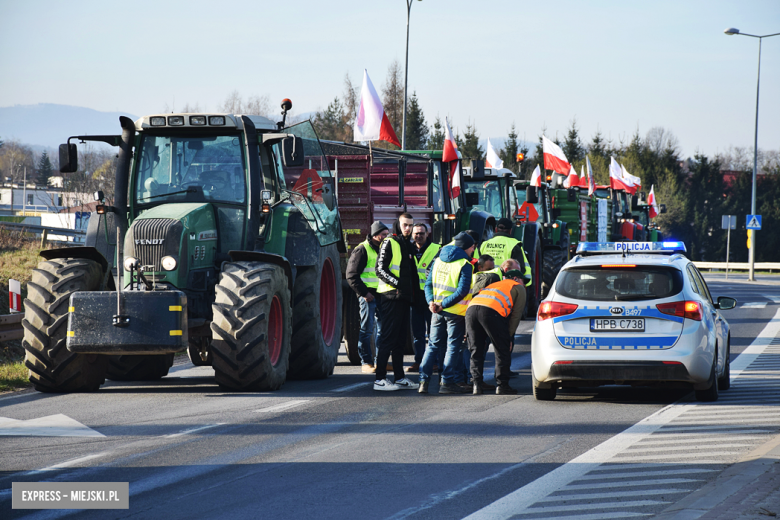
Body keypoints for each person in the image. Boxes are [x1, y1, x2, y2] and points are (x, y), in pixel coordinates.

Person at [419, 231, 476, 395]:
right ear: (466, 247)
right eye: (472, 248)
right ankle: (447, 382)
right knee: (452, 347)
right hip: (454, 312)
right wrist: (442, 305)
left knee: (432, 346)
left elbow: (427, 285)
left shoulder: (437, 261)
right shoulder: (464, 264)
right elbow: (462, 291)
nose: (473, 251)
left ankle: (423, 381)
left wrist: (431, 302)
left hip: (436, 311)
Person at [374, 213, 420, 391]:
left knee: (400, 341)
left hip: (403, 299)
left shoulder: (407, 245)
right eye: (405, 225)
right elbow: (380, 269)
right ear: (397, 224)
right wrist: (398, 285)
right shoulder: (389, 242)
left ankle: (399, 377)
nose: (408, 228)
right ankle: (380, 379)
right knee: (388, 338)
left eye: (410, 225)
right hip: (391, 297)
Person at [466, 269, 527, 395]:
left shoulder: (494, 285)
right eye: (523, 281)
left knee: (476, 349)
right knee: (502, 349)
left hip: (471, 311)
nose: (524, 284)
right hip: (491, 312)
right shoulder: (518, 287)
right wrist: (509, 337)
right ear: (515, 278)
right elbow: (516, 315)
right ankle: (502, 385)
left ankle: (476, 385)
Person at [346, 221, 389, 373]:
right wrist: (364, 293)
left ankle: (380, 362)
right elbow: (351, 276)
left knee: (383, 330)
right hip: (368, 296)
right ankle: (366, 362)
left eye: (387, 234)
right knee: (367, 329)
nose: (386, 237)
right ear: (375, 235)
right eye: (383, 234)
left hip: (383, 295)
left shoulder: (385, 249)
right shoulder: (362, 250)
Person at [409, 223, 439, 372]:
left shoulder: (436, 249)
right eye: (416, 233)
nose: (418, 236)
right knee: (418, 333)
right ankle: (419, 361)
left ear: (427, 234)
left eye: (421, 233)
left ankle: (435, 362)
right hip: (415, 296)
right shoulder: (408, 248)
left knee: (433, 332)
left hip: (431, 296)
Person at [478, 218, 532, 288]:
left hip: (484, 284)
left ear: (496, 229)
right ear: (510, 231)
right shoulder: (514, 245)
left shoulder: (484, 244)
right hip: (505, 286)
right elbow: (521, 269)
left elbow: (477, 265)